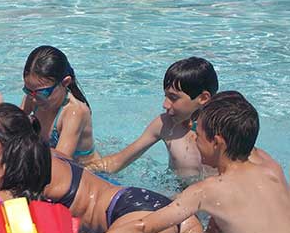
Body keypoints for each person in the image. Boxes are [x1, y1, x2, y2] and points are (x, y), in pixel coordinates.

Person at [77, 92, 290, 233]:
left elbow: (143, 227)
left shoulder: (206, 190)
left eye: (197, 132)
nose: (194, 139)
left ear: (217, 142)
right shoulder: (270, 165)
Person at [0, 103, 202, 233]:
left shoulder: (28, 176)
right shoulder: (49, 156)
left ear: (8, 146)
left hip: (132, 218)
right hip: (166, 209)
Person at [86, 57, 218, 179]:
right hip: (176, 194)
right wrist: (83, 171)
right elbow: (117, 162)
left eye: (173, 98)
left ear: (203, 98)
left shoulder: (226, 132)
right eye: (165, 96)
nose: (165, 105)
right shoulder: (165, 124)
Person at [21, 45, 99, 163]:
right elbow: (11, 127)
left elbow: (60, 162)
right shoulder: (35, 94)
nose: (34, 99)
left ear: (65, 82)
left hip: (88, 171)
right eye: (28, 90)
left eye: (42, 93)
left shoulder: (74, 112)